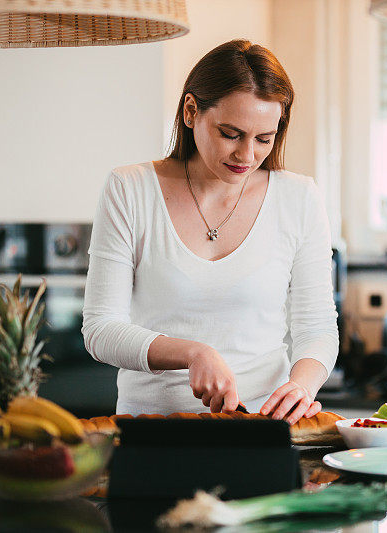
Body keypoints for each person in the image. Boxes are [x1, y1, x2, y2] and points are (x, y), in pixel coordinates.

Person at [81, 39, 338, 425]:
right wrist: (193, 353)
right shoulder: (130, 189)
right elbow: (100, 329)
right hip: (150, 430)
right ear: (190, 111)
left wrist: (301, 386)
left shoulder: (299, 198)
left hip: (260, 427)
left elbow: (317, 326)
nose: (247, 155)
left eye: (264, 139)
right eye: (231, 134)